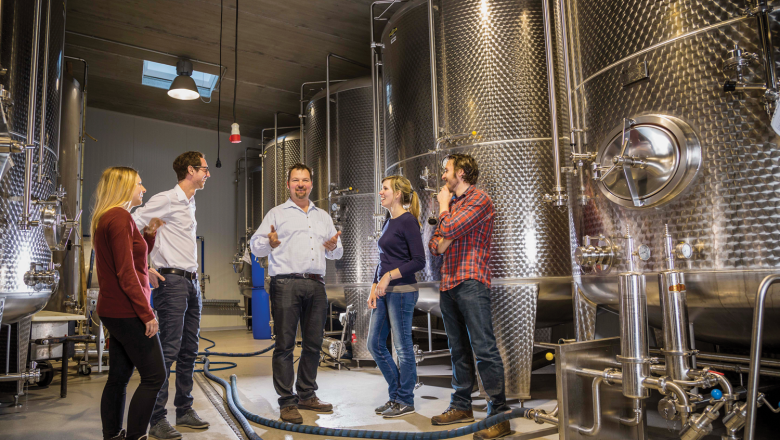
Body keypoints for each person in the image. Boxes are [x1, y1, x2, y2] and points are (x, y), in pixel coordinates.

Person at [250, 163, 343, 424]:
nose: (300, 184)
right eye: (295, 180)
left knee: (313, 344)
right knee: (285, 345)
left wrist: (334, 246)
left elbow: (337, 253)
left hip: (316, 284)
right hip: (285, 284)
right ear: (288, 185)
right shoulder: (276, 214)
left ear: (311, 184)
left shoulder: (322, 216)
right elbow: (255, 247)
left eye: (305, 180)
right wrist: (268, 242)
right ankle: (287, 402)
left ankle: (306, 394)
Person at [428, 154, 511, 440]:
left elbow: (447, 230)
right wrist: (447, 229)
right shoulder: (454, 206)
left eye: (446, 171)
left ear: (461, 173)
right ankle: (461, 405)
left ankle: (499, 416)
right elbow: (435, 246)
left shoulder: (480, 200)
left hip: (471, 281)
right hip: (448, 283)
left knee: (484, 349)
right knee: (458, 349)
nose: (442, 176)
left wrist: (443, 209)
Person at [133, 151, 211, 440]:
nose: (208, 174)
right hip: (172, 283)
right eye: (204, 169)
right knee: (168, 350)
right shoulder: (166, 199)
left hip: (192, 283)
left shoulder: (190, 203)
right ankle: (156, 418)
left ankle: (184, 410)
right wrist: (145, 266)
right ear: (190, 170)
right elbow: (132, 224)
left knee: (190, 349)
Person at [92, 167, 166, 440]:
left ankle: (112, 435)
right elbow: (126, 273)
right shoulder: (120, 217)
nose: (143, 188)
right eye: (139, 184)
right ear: (124, 187)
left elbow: (130, 262)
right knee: (155, 376)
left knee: (119, 377)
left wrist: (148, 235)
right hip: (127, 311)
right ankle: (136, 436)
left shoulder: (108, 217)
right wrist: (147, 314)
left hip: (112, 310)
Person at [367, 175, 426, 418]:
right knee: (374, 344)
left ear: (398, 194)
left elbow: (419, 261)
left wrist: (389, 276)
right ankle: (395, 395)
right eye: (381, 188)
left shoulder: (408, 221)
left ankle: (405, 400)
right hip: (383, 292)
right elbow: (383, 259)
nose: (380, 192)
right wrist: (373, 285)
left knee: (402, 348)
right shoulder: (388, 221)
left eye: (385, 189)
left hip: (402, 292)